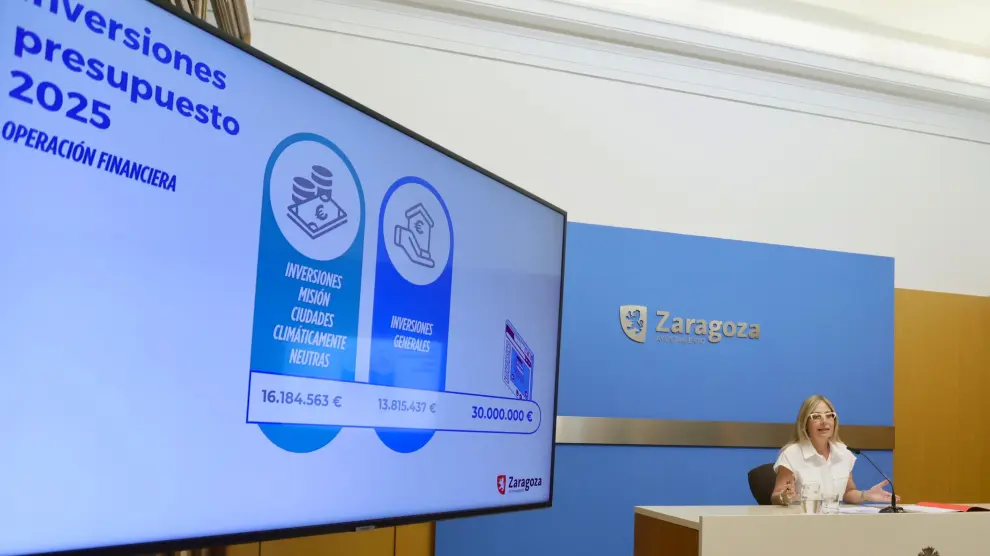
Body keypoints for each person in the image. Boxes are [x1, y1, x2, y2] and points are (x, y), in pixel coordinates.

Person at [770, 394, 899, 506]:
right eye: (816, 416)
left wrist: (866, 495)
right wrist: (784, 497)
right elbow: (776, 496)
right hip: (801, 521)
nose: (824, 421)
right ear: (805, 423)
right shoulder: (791, 454)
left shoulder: (843, 453)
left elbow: (848, 493)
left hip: (835, 520)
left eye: (829, 415)